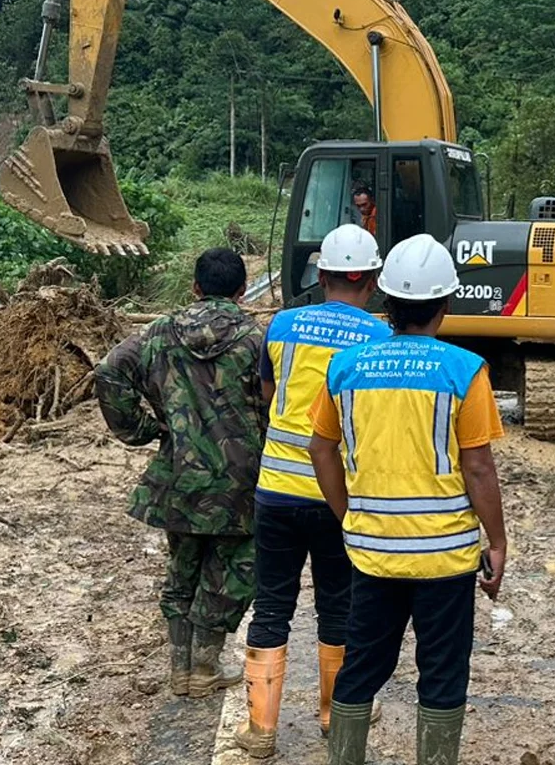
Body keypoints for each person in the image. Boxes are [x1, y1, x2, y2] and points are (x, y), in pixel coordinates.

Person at [307, 234, 507, 765]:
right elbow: (478, 467)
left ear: (385, 301)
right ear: (445, 304)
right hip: (444, 557)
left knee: (362, 666)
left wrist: (349, 515)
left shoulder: (345, 367)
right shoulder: (465, 370)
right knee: (442, 673)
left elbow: (320, 449)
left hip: (373, 553)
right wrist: (499, 541)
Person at [234, 225, 391, 758]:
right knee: (338, 608)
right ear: (371, 280)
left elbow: (269, 394)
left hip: (276, 490)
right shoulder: (379, 339)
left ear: (319, 275)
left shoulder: (281, 325)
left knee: (273, 605)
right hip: (337, 494)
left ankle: (260, 731)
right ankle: (331, 717)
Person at [95, 247, 265, 698]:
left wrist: (142, 429)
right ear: (242, 291)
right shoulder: (258, 340)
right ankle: (205, 666)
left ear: (194, 288)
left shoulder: (157, 335)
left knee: (184, 564)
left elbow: (109, 371)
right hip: (241, 480)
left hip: (178, 475)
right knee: (234, 570)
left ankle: (180, 669)